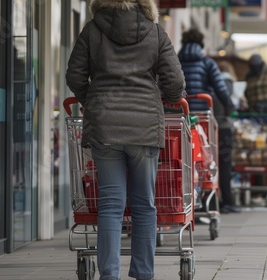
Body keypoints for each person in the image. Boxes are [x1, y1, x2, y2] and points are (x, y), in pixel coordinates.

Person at [65, 1, 186, 279]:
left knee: (110, 204)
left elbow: (75, 76)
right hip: (144, 128)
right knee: (144, 204)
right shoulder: (155, 33)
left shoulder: (92, 30)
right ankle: (143, 273)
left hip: (105, 127)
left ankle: (109, 274)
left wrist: (92, 101)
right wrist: (165, 96)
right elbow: (175, 82)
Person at [177, 29, 238, 213]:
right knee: (209, 160)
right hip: (202, 120)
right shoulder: (207, 63)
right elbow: (221, 89)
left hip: (181, 118)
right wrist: (229, 108)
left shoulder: (175, 62)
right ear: (201, 44)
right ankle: (216, 201)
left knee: (184, 161)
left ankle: (185, 201)